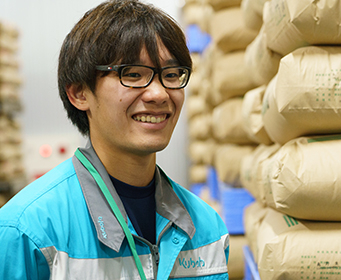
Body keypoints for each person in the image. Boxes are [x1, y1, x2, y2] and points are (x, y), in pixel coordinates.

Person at [0, 1, 229, 279]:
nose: (158, 94)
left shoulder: (207, 228)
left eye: (171, 75)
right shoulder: (28, 231)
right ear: (79, 94)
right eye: (132, 74)